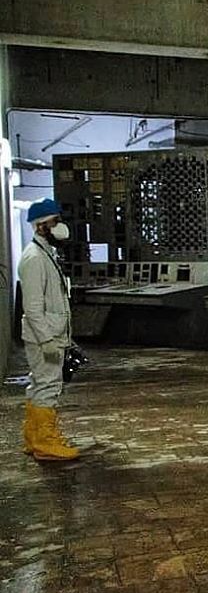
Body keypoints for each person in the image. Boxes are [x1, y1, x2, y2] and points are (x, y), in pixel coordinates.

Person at [18, 198, 79, 461]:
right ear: (41, 226)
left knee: (39, 385)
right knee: (48, 387)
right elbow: (32, 307)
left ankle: (34, 437)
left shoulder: (44, 253)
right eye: (55, 223)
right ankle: (46, 443)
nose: (59, 228)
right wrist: (46, 340)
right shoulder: (34, 258)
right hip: (45, 337)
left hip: (50, 334)